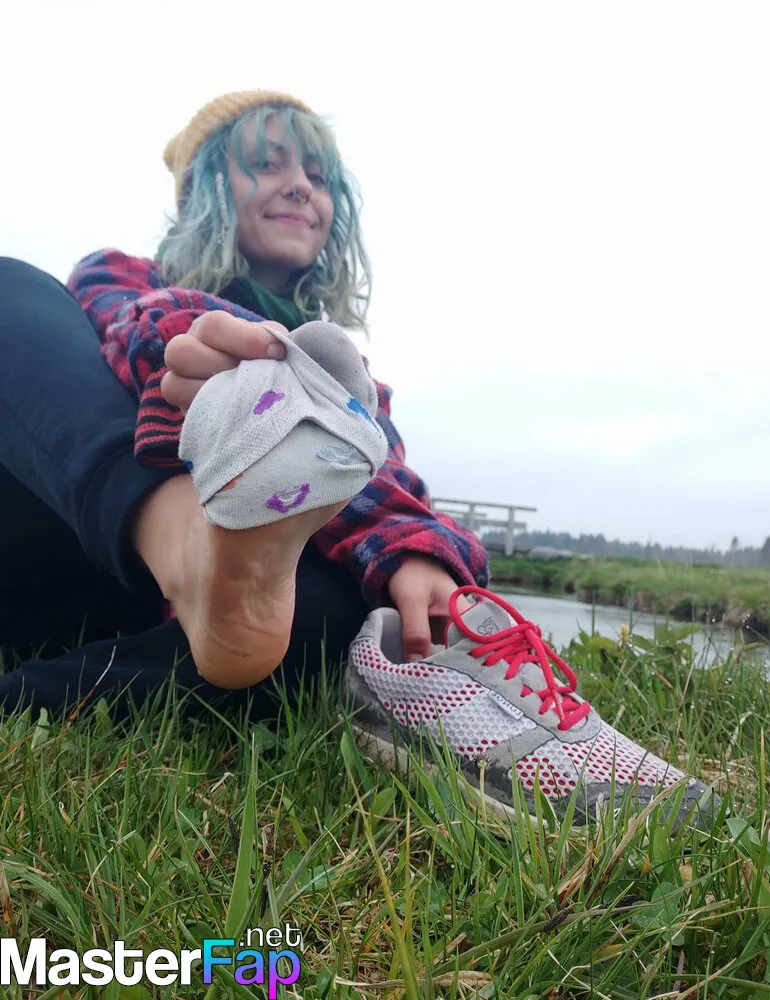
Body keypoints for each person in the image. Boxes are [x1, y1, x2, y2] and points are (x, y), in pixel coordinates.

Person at [0, 90, 716, 825]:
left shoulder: (355, 376)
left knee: (348, 614)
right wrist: (234, 372)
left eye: (317, 175)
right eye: (267, 164)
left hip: (177, 623)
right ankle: (184, 542)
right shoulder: (125, 277)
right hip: (66, 557)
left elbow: (381, 483)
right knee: (11, 289)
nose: (299, 187)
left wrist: (416, 553)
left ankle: (47, 686)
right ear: (205, 190)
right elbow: (125, 336)